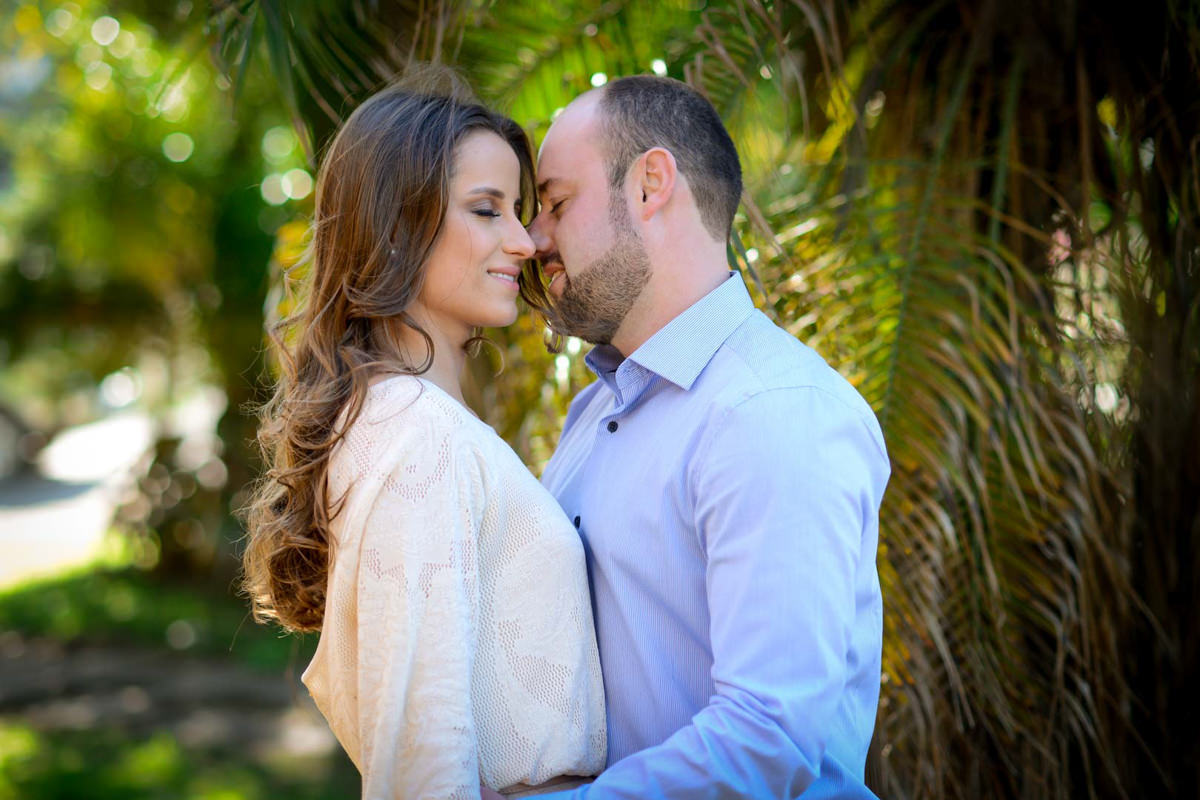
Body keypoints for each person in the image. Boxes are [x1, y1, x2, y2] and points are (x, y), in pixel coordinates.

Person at [240, 70, 605, 799]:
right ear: (398, 224)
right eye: (485, 210)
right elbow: (422, 754)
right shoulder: (416, 437)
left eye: (520, 210)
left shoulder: (395, 419)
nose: (523, 241)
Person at [525, 76, 891, 798]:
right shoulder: (590, 417)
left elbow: (765, 738)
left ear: (650, 184)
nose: (535, 238)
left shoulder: (776, 413)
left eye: (556, 203)